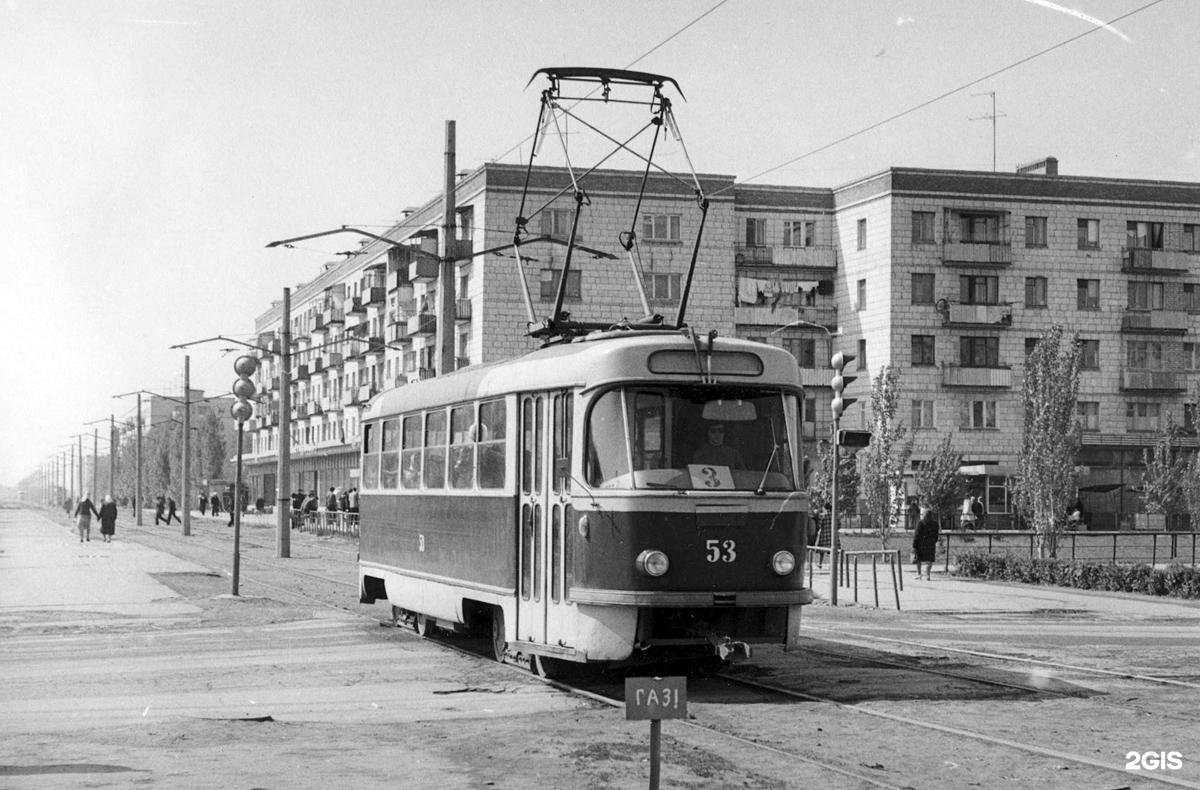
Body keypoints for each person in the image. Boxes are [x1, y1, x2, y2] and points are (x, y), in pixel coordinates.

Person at [912, 506, 940, 580]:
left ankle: (919, 574)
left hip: (921, 544)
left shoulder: (921, 523)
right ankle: (928, 575)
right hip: (930, 544)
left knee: (918, 559)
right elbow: (936, 535)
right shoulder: (935, 524)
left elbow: (916, 535)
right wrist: (934, 541)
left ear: (924, 515)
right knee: (929, 560)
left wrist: (914, 545)